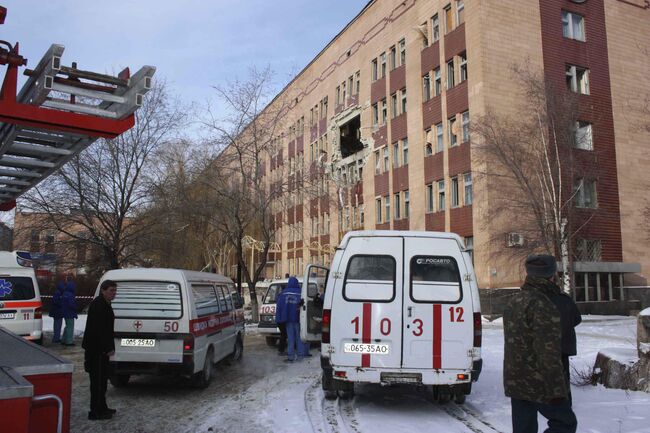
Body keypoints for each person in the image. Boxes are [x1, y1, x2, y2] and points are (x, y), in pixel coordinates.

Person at [503, 255, 577, 433]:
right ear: (552, 275)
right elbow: (548, 352)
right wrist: (558, 389)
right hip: (538, 381)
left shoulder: (514, 301)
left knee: (523, 428)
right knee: (565, 423)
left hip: (516, 378)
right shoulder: (544, 304)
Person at [82, 280, 117, 421]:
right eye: (111, 290)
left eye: (115, 291)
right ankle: (95, 411)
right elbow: (99, 330)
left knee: (102, 381)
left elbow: (107, 329)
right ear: (103, 290)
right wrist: (107, 348)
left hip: (101, 350)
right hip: (96, 351)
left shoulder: (105, 304)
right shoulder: (98, 305)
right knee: (97, 382)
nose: (114, 293)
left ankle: (102, 407)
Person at [550, 284, 582, 406]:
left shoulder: (540, 300)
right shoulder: (565, 299)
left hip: (547, 346)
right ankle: (566, 402)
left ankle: (553, 402)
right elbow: (577, 318)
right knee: (564, 375)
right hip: (564, 344)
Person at [275, 277, 308, 362]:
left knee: (290, 338)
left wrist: (279, 318)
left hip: (288, 320)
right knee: (299, 338)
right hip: (298, 319)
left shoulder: (284, 293)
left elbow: (280, 307)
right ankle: (300, 355)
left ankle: (291, 357)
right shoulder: (301, 293)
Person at [61, 276, 78, 346]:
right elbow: (72, 305)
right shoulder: (71, 295)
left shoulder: (65, 293)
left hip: (65, 312)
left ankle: (64, 339)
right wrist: (76, 307)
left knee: (67, 326)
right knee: (70, 327)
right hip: (70, 313)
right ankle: (69, 341)